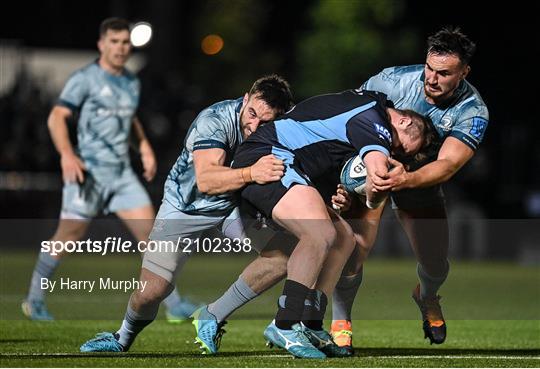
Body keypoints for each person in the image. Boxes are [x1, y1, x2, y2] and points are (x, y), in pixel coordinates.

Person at [79, 74, 295, 352]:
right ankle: (121, 338)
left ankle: (215, 316)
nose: (254, 125)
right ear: (245, 100)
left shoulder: (284, 129)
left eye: (265, 121)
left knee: (286, 255)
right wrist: (253, 173)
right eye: (251, 113)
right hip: (184, 206)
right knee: (152, 292)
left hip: (234, 206)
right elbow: (206, 180)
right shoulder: (214, 120)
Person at [223, 88, 434, 359]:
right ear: (403, 121)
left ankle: (311, 323)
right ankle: (284, 323)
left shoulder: (368, 104)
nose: (395, 151)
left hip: (289, 163)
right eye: (401, 146)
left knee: (344, 236)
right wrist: (385, 183)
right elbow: (379, 175)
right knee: (319, 233)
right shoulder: (373, 120)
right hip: (269, 157)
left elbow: (323, 142)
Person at [19, 17, 203, 322]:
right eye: (114, 42)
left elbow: (129, 120)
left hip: (121, 175)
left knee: (152, 236)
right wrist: (66, 154)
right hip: (88, 173)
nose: (120, 48)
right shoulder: (85, 78)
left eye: (125, 42)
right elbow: (56, 117)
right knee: (67, 236)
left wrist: (142, 147)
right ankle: (34, 299)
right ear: (102, 44)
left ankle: (173, 305)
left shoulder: (130, 81)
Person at [329, 26, 489, 351]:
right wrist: (342, 178)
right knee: (354, 246)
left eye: (444, 73)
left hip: (420, 179)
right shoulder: (391, 81)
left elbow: (447, 165)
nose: (432, 78)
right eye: (430, 68)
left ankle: (427, 296)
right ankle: (341, 320)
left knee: (435, 263)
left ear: (464, 72)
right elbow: (346, 122)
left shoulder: (473, 111)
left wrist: (407, 179)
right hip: (373, 167)